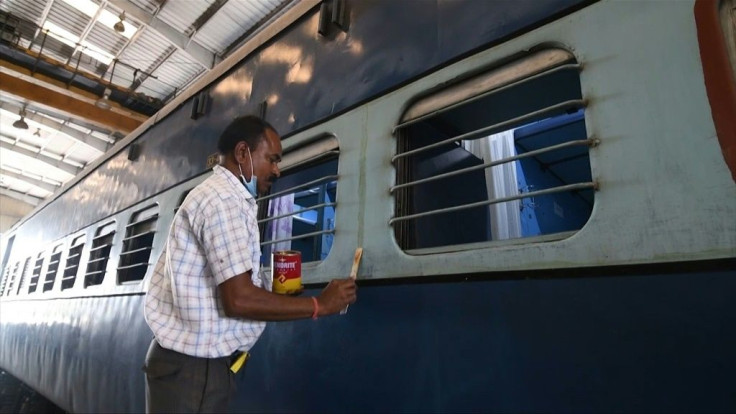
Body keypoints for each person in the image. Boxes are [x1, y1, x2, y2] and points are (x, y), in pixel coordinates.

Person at [143, 115, 357, 413]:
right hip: (196, 369)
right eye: (271, 159)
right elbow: (238, 299)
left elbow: (230, 287)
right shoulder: (223, 202)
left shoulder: (229, 200)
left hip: (195, 366)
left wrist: (271, 290)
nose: (277, 170)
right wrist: (320, 304)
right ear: (243, 153)